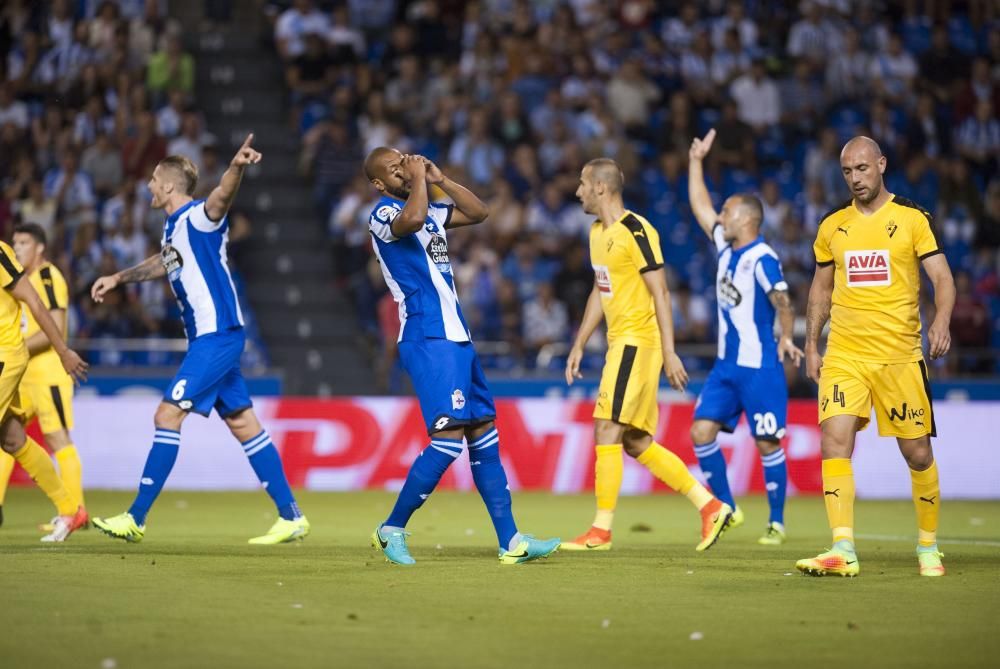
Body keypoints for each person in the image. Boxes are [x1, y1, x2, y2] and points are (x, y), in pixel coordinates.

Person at [90, 135, 310, 545]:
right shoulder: (174, 229)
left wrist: (237, 167)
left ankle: (135, 517)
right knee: (243, 423)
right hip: (210, 339)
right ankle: (292, 516)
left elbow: (220, 198)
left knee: (166, 416)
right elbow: (164, 262)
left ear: (170, 185)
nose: (150, 186)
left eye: (155, 180)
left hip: (216, 336)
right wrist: (119, 278)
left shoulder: (198, 217)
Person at [363, 146, 559, 565]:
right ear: (380, 183)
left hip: (458, 335)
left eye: (404, 160)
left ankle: (511, 541)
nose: (403, 168)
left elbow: (480, 212)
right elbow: (411, 219)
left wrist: (440, 179)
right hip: (427, 333)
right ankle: (390, 529)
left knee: (484, 433)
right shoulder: (381, 214)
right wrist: (418, 182)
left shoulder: (430, 207)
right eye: (394, 168)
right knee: (448, 439)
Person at [799, 136, 955, 577]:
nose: (855, 179)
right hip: (845, 353)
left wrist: (941, 321)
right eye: (848, 171)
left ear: (881, 165)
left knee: (917, 453)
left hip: (899, 356)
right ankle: (842, 548)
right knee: (834, 439)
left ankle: (928, 546)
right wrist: (812, 344)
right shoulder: (832, 224)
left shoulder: (912, 218)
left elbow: (942, 278)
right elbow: (820, 290)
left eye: (862, 169)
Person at [561, 157, 733, 553]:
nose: (578, 191)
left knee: (605, 427)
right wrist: (579, 341)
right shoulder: (595, 233)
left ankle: (600, 531)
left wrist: (670, 353)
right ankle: (709, 506)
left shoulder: (637, 230)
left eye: (583, 183)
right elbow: (599, 290)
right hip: (620, 344)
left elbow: (662, 292)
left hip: (638, 342)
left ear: (601, 187)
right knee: (635, 441)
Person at [687, 129, 804, 545]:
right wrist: (696, 161)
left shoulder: (762, 256)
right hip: (725, 367)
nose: (720, 214)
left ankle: (776, 521)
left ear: (746, 219)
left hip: (759, 367)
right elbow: (700, 207)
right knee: (700, 432)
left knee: (767, 440)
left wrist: (787, 338)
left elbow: (784, 301)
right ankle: (727, 507)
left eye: (728, 210)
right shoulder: (725, 247)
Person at [0, 235, 88, 540]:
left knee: (59, 437)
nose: (20, 246)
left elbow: (36, 302)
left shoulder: (3, 256)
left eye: (26, 242)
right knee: (11, 439)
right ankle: (71, 509)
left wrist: (63, 351)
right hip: (22, 369)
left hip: (9, 356)